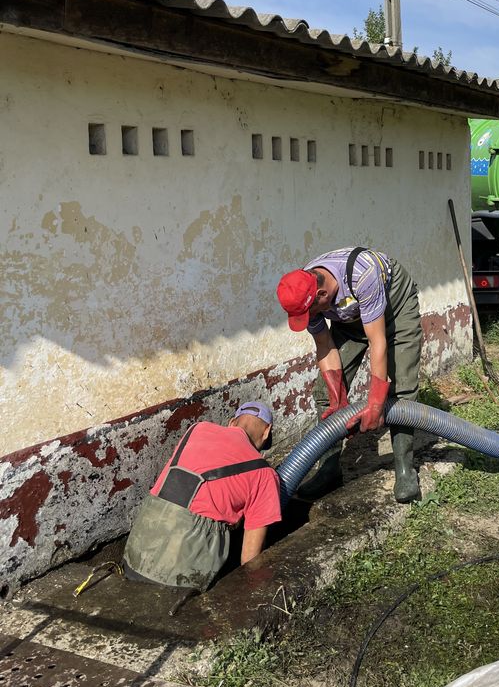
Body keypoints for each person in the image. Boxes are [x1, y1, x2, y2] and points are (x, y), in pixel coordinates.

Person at [276, 246, 423, 503]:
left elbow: (378, 342)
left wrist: (376, 404)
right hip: (350, 319)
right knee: (323, 393)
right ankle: (329, 470)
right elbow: (324, 344)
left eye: (310, 312)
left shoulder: (362, 274)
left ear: (322, 295)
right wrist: (338, 399)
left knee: (402, 387)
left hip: (395, 310)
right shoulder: (306, 295)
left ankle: (404, 469)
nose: (309, 318)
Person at [123, 402, 281, 591]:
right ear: (266, 432)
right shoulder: (263, 474)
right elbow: (249, 559)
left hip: (137, 551)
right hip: (181, 574)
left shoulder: (197, 429)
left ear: (231, 422)